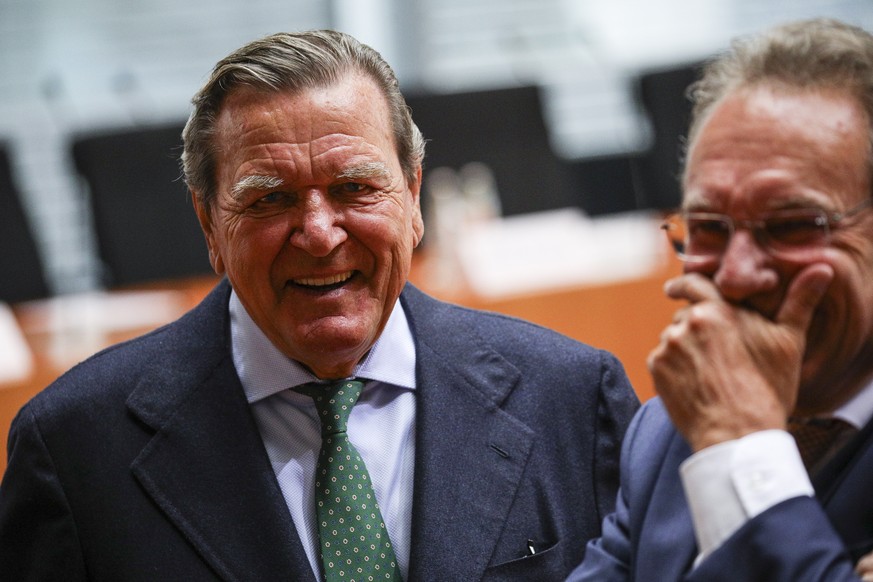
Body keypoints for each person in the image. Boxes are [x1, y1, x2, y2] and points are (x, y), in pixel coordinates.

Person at [0, 30, 639, 581]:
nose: (319, 233)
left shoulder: (573, 400)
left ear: (414, 197)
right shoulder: (74, 449)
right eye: (269, 199)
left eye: (355, 188)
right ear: (209, 225)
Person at [567, 17, 873, 582]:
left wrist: (742, 452)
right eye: (708, 227)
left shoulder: (714, 427)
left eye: (791, 225)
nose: (735, 276)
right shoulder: (667, 429)